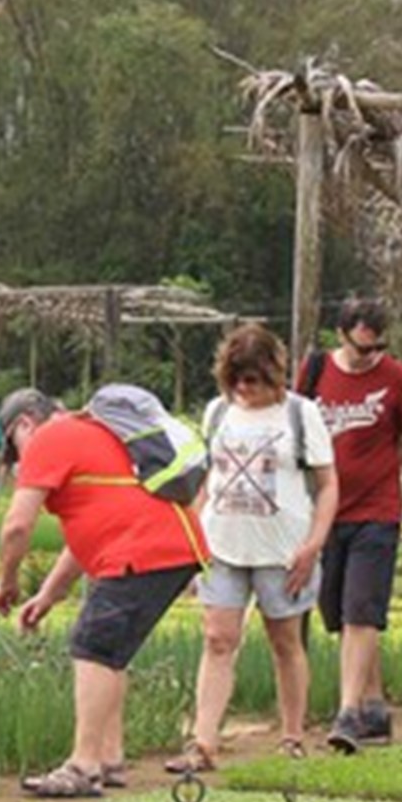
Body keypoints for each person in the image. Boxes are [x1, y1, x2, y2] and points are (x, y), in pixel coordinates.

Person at [0, 386, 207, 797]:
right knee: (110, 652)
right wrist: (48, 595)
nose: (18, 459)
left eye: (12, 448)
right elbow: (88, 533)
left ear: (24, 424)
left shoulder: (49, 438)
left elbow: (17, 525)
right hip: (168, 546)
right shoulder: (92, 432)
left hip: (144, 549)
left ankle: (83, 764)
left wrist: (6, 581)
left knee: (92, 646)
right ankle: (109, 758)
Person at [170, 325, 338, 771]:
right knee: (218, 638)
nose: (247, 388)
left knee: (285, 641)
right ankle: (204, 742)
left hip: (284, 548)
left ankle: (292, 735)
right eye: (238, 379)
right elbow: (207, 480)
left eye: (256, 379)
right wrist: (194, 542)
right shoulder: (217, 413)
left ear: (274, 374)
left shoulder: (301, 415)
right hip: (223, 545)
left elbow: (327, 486)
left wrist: (313, 545)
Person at [303, 297, 402, 755]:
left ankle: (349, 713)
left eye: (378, 347)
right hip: (325, 512)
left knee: (362, 610)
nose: (370, 356)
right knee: (338, 615)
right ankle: (374, 705)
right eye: (361, 348)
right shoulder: (316, 372)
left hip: (376, 512)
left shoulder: (398, 379)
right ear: (341, 335)